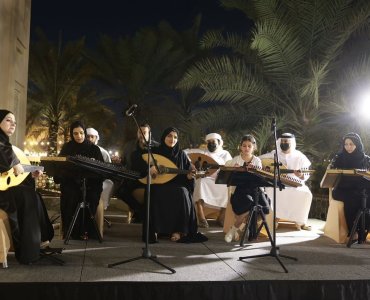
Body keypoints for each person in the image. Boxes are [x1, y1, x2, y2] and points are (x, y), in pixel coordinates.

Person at [0, 109, 54, 264]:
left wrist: (30, 175)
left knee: (33, 194)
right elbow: (10, 164)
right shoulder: (2, 144)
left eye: (15, 122)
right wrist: (16, 165)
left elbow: (13, 172)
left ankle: (38, 240)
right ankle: (27, 251)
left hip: (4, 189)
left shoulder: (5, 144)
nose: (13, 124)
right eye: (8, 120)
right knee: (26, 195)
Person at [149, 127, 207, 243]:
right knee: (156, 192)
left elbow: (187, 174)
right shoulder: (155, 152)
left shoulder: (181, 154)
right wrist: (151, 169)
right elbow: (147, 168)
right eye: (169, 136)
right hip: (159, 183)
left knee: (182, 192)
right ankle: (156, 229)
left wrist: (189, 177)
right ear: (164, 137)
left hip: (178, 184)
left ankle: (178, 230)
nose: (172, 139)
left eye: (175, 137)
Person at [57, 121, 104, 240]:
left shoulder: (94, 149)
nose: (79, 136)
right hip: (72, 182)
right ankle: (71, 231)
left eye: (81, 133)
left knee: (92, 197)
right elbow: (60, 165)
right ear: (72, 134)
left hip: (91, 183)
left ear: (85, 132)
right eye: (75, 133)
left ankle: (87, 231)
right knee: (70, 195)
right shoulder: (67, 147)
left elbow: (101, 171)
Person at [259, 133, 312, 230]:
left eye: (286, 142)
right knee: (270, 191)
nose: (284, 143)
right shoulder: (274, 154)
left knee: (306, 194)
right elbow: (259, 160)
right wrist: (265, 168)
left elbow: (306, 173)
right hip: (277, 182)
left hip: (295, 183)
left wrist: (301, 175)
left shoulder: (300, 157)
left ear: (292, 143)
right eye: (282, 141)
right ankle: (274, 218)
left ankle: (300, 222)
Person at [224, 135, 270, 242]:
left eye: (249, 146)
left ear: (254, 148)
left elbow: (259, 177)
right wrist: (234, 169)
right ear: (240, 147)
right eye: (244, 146)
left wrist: (255, 171)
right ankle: (238, 229)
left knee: (264, 208)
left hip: (255, 190)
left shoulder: (257, 160)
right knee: (250, 204)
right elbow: (227, 172)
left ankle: (236, 229)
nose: (247, 148)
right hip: (240, 190)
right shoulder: (236, 159)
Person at [113, 123, 158, 223]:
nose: (142, 135)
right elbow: (123, 163)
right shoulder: (129, 146)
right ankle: (140, 213)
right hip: (133, 177)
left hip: (151, 179)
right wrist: (118, 162)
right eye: (139, 132)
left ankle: (141, 215)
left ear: (149, 134)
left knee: (151, 192)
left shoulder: (157, 147)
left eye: (144, 132)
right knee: (120, 191)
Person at [330, 132, 370, 242]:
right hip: (342, 189)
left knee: (365, 199)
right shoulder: (339, 158)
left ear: (357, 145)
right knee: (352, 200)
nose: (348, 147)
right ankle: (354, 231)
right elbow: (331, 175)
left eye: (351, 144)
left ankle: (364, 230)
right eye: (346, 144)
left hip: (361, 189)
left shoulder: (365, 159)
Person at [189, 133, 232, 228]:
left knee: (228, 187)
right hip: (207, 179)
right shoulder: (203, 153)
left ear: (219, 142)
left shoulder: (225, 154)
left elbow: (229, 168)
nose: (211, 144)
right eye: (209, 142)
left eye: (213, 142)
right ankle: (201, 216)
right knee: (200, 182)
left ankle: (221, 216)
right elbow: (188, 154)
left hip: (221, 180)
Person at [86, 127, 114, 210]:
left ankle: (101, 207)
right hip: (84, 179)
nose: (90, 139)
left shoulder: (103, 152)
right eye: (88, 136)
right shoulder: (81, 150)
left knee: (108, 183)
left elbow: (108, 169)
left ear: (96, 138)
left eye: (92, 137)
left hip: (99, 179)